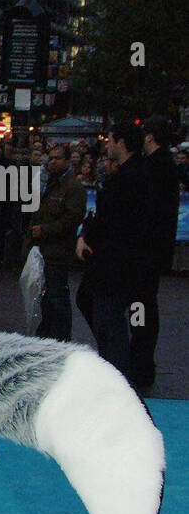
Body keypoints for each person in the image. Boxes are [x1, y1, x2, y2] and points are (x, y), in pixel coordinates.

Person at [76, 122, 151, 385]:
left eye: (109, 140)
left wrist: (89, 237)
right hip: (117, 261)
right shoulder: (130, 176)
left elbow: (113, 221)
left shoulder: (128, 180)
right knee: (100, 312)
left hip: (116, 263)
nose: (106, 145)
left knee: (111, 323)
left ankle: (116, 376)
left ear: (120, 143)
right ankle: (115, 369)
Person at [130, 116, 180, 393]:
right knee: (145, 305)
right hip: (153, 251)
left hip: (145, 253)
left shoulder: (154, 168)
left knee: (142, 307)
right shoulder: (164, 166)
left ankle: (141, 361)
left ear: (150, 137)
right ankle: (142, 359)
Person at [27, 145, 87, 340]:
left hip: (59, 250)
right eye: (50, 158)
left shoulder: (73, 187)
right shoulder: (51, 183)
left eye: (58, 158)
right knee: (47, 296)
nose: (52, 161)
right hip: (46, 249)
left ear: (68, 161)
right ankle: (49, 333)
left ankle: (60, 337)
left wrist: (44, 230)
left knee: (57, 296)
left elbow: (71, 220)